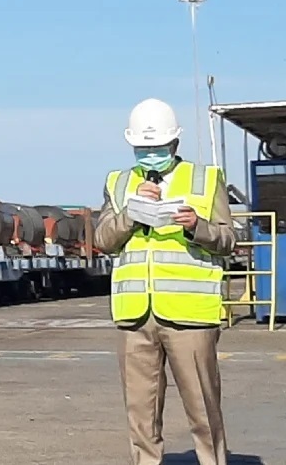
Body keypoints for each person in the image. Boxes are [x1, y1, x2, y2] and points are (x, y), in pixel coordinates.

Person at [93, 97, 236, 465]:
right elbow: (103, 240)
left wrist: (196, 227)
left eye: (157, 149)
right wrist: (131, 213)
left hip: (189, 316)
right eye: (142, 149)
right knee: (140, 410)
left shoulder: (206, 179)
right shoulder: (119, 183)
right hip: (135, 316)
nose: (150, 155)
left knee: (203, 408)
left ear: (175, 144)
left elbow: (227, 241)